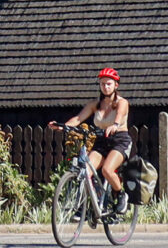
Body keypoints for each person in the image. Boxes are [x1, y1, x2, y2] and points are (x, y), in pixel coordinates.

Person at [52, 67, 134, 199]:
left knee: (107, 170)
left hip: (119, 141)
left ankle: (120, 194)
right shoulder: (94, 104)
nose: (105, 87)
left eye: (109, 84)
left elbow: (120, 115)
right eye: (102, 84)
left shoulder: (122, 102)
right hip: (102, 141)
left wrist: (115, 125)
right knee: (85, 172)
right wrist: (62, 126)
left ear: (116, 85)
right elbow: (78, 119)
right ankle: (86, 206)